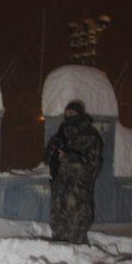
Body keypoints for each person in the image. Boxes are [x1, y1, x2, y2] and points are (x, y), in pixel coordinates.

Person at [44, 100, 102, 244]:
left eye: (73, 113)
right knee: (58, 226)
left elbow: (93, 167)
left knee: (77, 227)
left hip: (78, 190)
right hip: (59, 189)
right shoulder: (60, 134)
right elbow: (47, 157)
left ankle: (79, 260)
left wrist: (69, 157)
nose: (69, 116)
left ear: (80, 114)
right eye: (67, 113)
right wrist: (52, 155)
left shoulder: (90, 135)